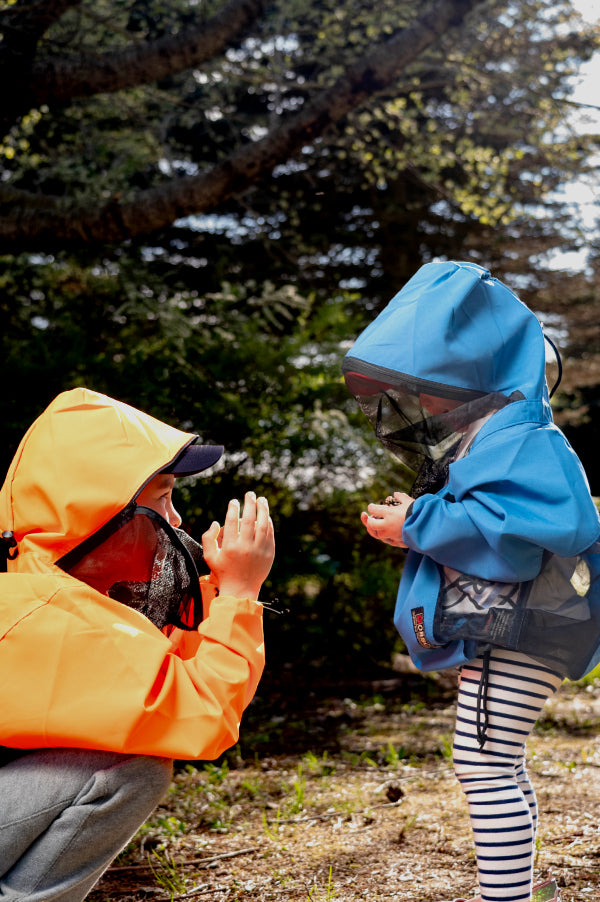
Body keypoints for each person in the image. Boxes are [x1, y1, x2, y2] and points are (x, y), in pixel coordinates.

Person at [342, 260, 600, 902]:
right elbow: (489, 522)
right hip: (524, 626)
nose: (419, 400)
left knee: (481, 761)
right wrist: (419, 520)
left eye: (431, 383)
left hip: (531, 627)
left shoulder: (522, 442)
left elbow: (514, 541)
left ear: (476, 373)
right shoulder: (497, 437)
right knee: (498, 760)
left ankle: (503, 897)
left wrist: (419, 521)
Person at [0, 386, 275, 902]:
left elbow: (169, 669)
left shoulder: (53, 592)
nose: (176, 521)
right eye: (164, 497)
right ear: (102, 514)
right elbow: (200, 715)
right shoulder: (51, 617)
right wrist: (241, 593)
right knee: (128, 767)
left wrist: (220, 591)